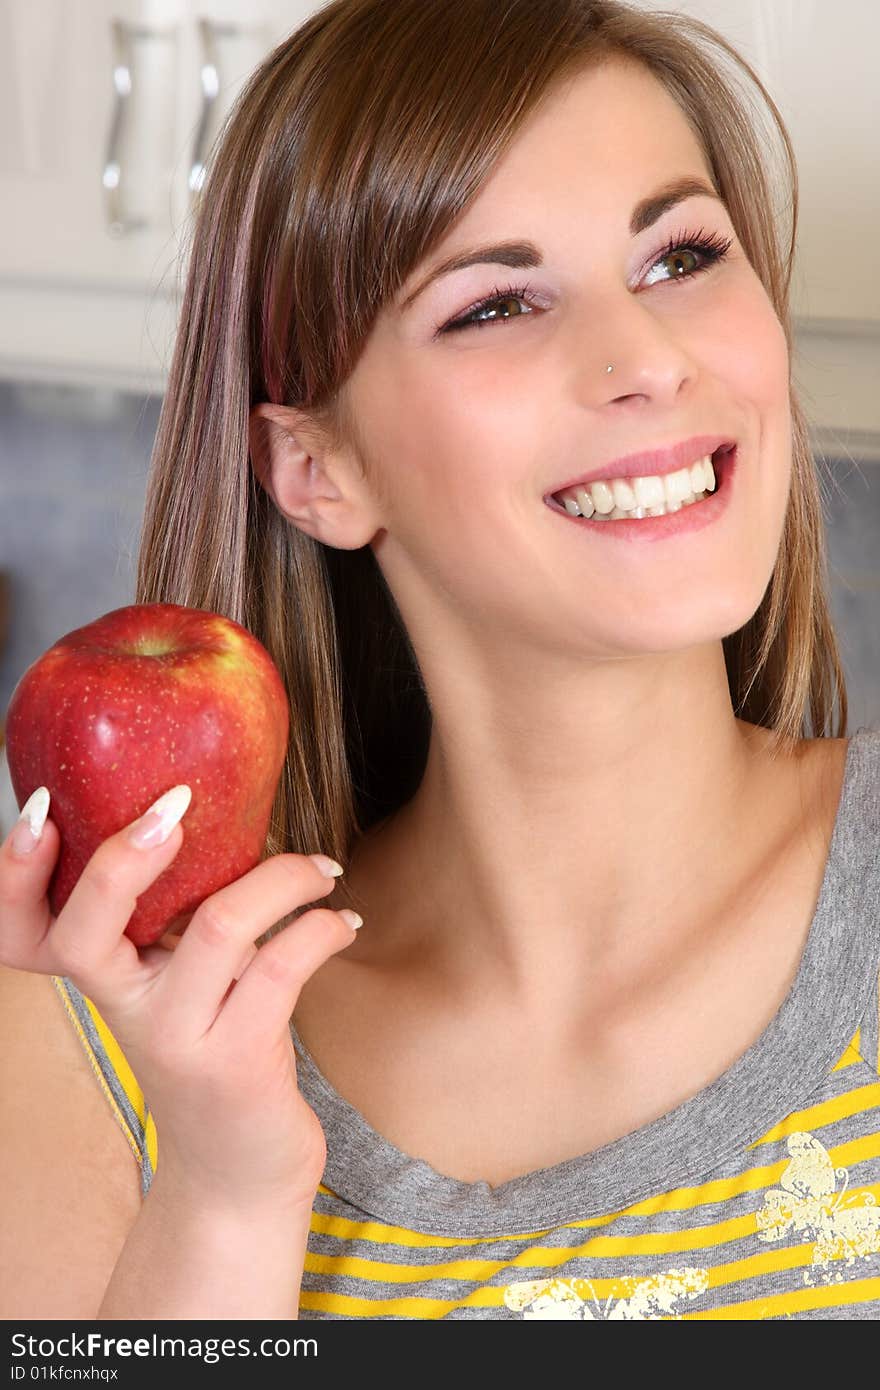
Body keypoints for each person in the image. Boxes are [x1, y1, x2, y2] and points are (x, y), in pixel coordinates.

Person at [1, 0, 878, 1322]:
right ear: (315, 467)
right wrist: (226, 1189)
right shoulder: (111, 1039)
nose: (646, 357)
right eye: (498, 304)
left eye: (682, 254)